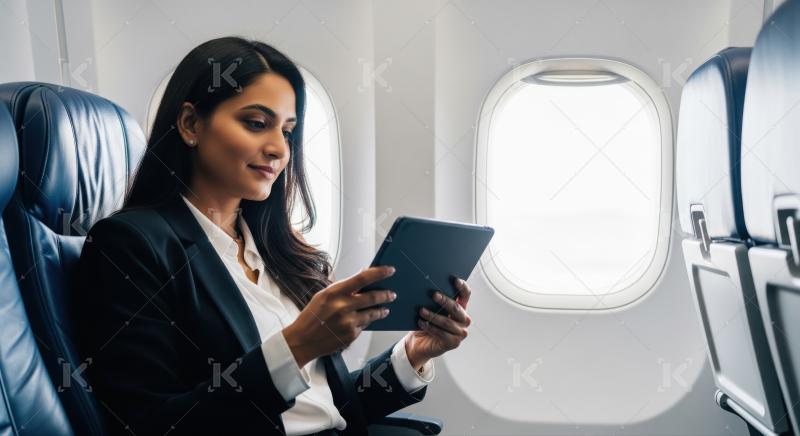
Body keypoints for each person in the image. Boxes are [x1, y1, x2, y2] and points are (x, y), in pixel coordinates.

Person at [72, 36, 473, 436]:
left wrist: (413, 353)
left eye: (288, 131)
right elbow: (154, 426)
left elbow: (327, 409)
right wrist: (297, 345)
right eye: (256, 123)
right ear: (191, 124)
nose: (279, 148)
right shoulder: (131, 246)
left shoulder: (276, 253)